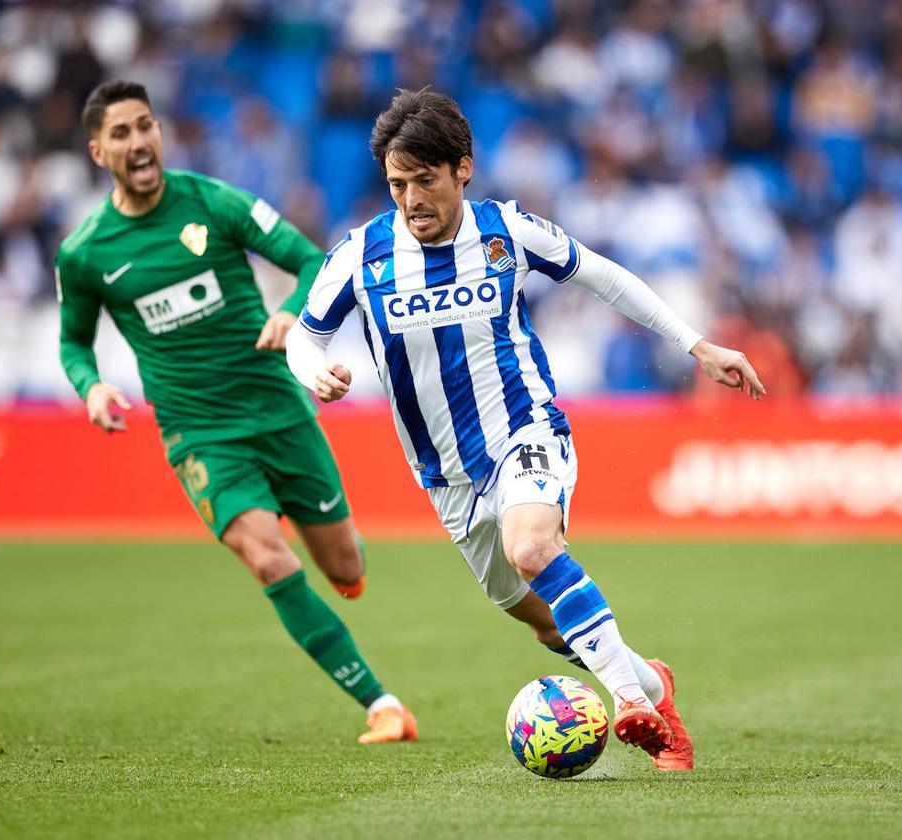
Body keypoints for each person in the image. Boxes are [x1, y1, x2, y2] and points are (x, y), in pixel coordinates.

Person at [287, 88, 767, 770]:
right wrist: (315, 372)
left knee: (533, 547)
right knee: (544, 621)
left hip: (524, 430)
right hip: (445, 477)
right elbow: (304, 338)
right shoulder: (361, 255)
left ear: (463, 169)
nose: (411, 200)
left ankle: (630, 701)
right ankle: (658, 687)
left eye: (425, 180)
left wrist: (697, 345)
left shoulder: (506, 232)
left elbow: (605, 277)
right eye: (398, 184)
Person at [56, 80, 417, 744]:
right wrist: (92, 388)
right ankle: (382, 704)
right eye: (121, 133)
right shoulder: (84, 253)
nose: (138, 141)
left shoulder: (213, 203)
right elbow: (73, 341)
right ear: (97, 151)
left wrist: (291, 314)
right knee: (270, 560)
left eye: (145, 126)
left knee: (345, 567)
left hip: (277, 409)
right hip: (200, 433)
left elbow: (312, 261)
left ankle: (341, 567)